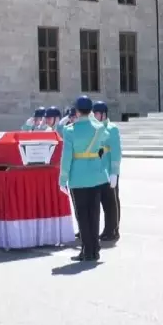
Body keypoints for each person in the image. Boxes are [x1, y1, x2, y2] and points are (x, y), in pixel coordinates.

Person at [59, 96, 111, 262]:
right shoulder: (98, 128)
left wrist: (62, 179)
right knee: (94, 213)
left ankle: (87, 250)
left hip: (78, 177)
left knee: (82, 215)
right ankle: (95, 249)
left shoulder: (70, 130)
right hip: (96, 175)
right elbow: (103, 144)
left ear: (77, 111)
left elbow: (66, 157)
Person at [92, 101, 122, 242]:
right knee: (102, 203)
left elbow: (116, 152)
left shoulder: (112, 129)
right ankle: (106, 229)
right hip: (97, 172)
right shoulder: (93, 128)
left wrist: (114, 172)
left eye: (97, 113)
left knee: (111, 203)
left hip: (109, 170)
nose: (95, 116)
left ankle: (113, 230)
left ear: (103, 114)